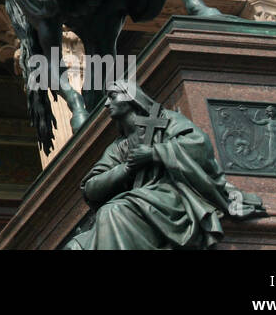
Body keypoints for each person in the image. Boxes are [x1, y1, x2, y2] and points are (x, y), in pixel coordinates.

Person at [65, 80, 265, 250]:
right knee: (74, 246)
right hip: (144, 201)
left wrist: (154, 153)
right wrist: (126, 169)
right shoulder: (119, 147)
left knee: (114, 212)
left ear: (131, 97)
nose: (106, 104)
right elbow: (90, 187)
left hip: (173, 194)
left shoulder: (165, 120)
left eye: (113, 96)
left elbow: (198, 145)